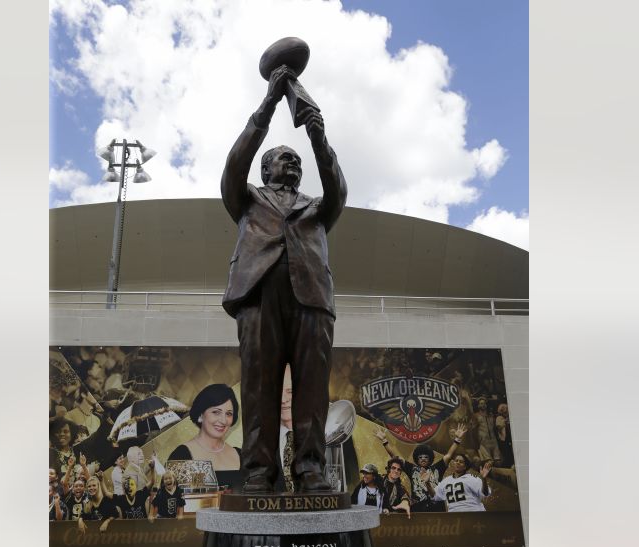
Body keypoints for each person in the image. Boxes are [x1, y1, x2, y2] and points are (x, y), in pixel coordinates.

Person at [220, 64, 347, 494]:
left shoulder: (316, 206)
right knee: (259, 384)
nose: (292, 163)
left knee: (312, 388)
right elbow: (234, 163)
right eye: (283, 158)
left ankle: (310, 468)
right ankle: (259, 470)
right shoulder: (247, 198)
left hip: (311, 300)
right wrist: (270, 102)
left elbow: (338, 187)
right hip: (258, 296)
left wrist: (316, 136)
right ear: (265, 170)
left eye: (296, 161)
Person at [374, 422, 468, 512]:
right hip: (418, 507)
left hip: (437, 507)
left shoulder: (437, 468)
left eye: (426, 457)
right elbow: (395, 457)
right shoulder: (411, 469)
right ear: (417, 459)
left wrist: (457, 440)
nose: (423, 459)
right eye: (420, 457)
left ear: (430, 458)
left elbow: (449, 456)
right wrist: (384, 441)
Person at [169, 383, 243, 488]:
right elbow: (170, 499)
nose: (223, 420)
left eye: (229, 414)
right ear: (200, 414)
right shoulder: (181, 456)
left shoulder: (241, 455)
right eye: (216, 412)